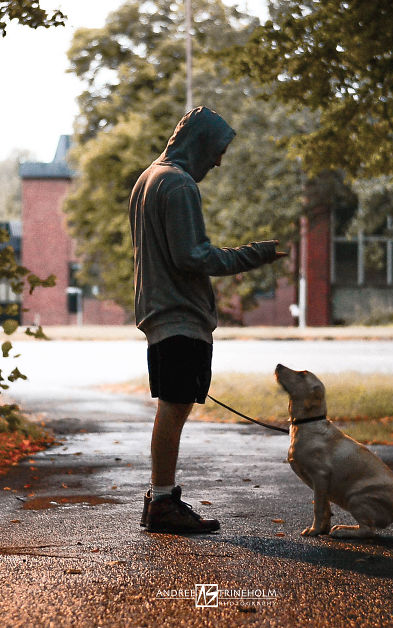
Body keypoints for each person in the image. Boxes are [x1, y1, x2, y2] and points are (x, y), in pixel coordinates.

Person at [129, 106, 286, 533]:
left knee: (171, 409)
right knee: (174, 410)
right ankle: (162, 503)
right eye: (217, 150)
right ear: (198, 143)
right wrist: (257, 253)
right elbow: (193, 255)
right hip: (178, 316)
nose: (218, 161)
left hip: (160, 313)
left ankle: (159, 501)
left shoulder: (148, 179)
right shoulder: (177, 185)